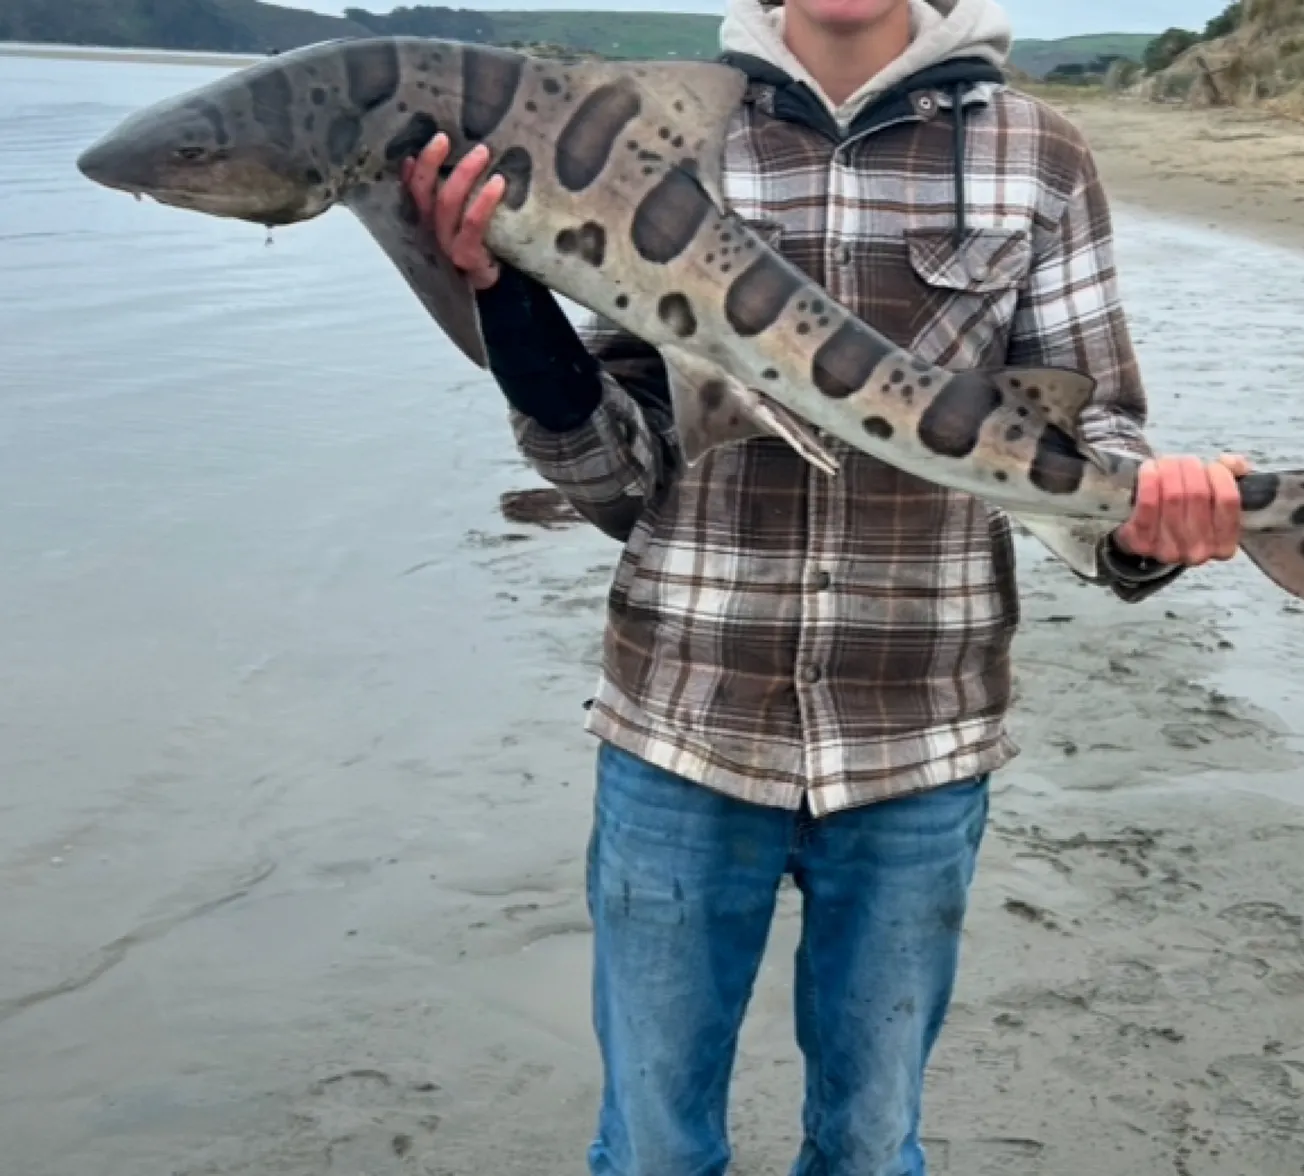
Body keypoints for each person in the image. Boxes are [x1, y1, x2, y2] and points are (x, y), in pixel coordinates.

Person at [403, 0, 1248, 1171]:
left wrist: (1157, 521)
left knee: (869, 1144)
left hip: (920, 742)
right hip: (682, 729)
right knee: (652, 1148)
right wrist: (507, 298)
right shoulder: (655, 129)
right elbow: (620, 478)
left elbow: (1091, 431)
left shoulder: (1037, 153)